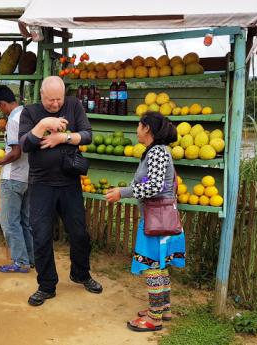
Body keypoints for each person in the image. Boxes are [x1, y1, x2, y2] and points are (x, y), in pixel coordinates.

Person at [19, 76, 102, 307]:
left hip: (69, 183)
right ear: (42, 96)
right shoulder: (30, 112)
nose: (56, 104)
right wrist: (44, 124)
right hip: (41, 184)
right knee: (42, 236)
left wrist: (62, 137)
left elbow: (87, 135)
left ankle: (81, 273)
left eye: (59, 99)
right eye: (50, 100)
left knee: (79, 233)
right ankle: (46, 285)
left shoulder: (74, 105)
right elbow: (25, 144)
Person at [106, 112, 186, 332]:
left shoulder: (158, 152)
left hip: (157, 223)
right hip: (159, 220)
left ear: (147, 128)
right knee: (160, 266)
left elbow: (155, 186)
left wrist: (122, 192)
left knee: (151, 267)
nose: (137, 130)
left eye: (139, 126)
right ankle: (163, 307)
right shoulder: (156, 152)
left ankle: (154, 317)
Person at [0, 85, 34, 273]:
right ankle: (30, 258)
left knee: (10, 223)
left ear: (3, 104)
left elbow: (15, 152)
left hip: (12, 177)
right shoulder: (27, 114)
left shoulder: (13, 119)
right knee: (24, 221)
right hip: (28, 176)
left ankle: (20, 262)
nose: (0, 111)